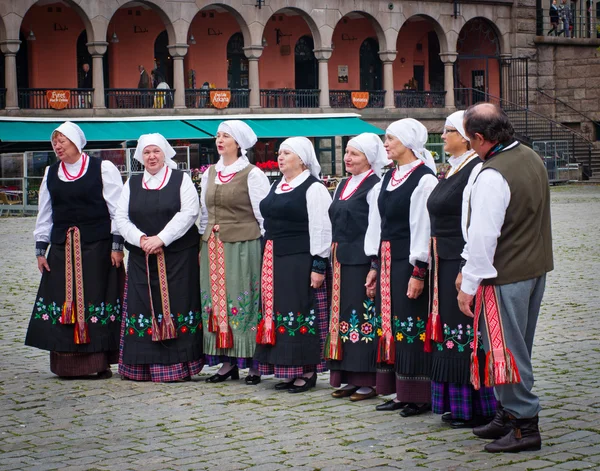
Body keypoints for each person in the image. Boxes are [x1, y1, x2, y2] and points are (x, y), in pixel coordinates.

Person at [457, 103, 553, 453]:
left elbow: (484, 236)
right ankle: (509, 413)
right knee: (516, 347)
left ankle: (524, 425)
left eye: (470, 140)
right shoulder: (529, 155)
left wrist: (469, 285)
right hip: (532, 267)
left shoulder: (492, 174)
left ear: (482, 138)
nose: (471, 147)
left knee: (506, 351)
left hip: (503, 274)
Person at [25, 122, 124, 379]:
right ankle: (66, 365)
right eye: (55, 142)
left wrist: (117, 246)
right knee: (62, 301)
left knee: (97, 299)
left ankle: (99, 363)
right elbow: (45, 214)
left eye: (62, 141)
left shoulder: (102, 168)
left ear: (76, 143)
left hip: (97, 247)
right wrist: (40, 250)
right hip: (62, 249)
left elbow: (117, 210)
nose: (57, 146)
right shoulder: (51, 172)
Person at [425, 110, 497, 429]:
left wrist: (466, 266)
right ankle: (456, 403)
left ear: (466, 137)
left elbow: (473, 222)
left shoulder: (476, 169)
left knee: (464, 332)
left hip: (460, 257)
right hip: (446, 257)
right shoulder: (456, 168)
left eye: (448, 131)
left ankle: (476, 406)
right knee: (451, 333)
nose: (443, 137)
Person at [116, 133, 203, 382]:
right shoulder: (132, 184)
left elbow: (189, 212)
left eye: (156, 151)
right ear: (140, 157)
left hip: (178, 257)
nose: (151, 156)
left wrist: (162, 238)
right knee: (142, 306)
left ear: (164, 153)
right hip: (142, 258)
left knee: (179, 304)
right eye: (146, 152)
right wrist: (141, 239)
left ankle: (179, 367)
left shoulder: (181, 180)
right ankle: (141, 367)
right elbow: (121, 218)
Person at [365, 118, 438, 416]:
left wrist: (419, 270)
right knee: (391, 322)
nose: (386, 144)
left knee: (411, 323)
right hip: (386, 258)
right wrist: (374, 264)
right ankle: (398, 390)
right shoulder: (387, 177)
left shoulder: (424, 179)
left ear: (408, 143)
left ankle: (418, 393)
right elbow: (377, 223)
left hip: (408, 259)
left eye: (391, 139)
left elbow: (423, 227)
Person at [254, 137, 332, 393]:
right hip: (274, 257)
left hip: (300, 258)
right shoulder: (277, 184)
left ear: (302, 158)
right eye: (280, 153)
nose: (281, 157)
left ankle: (307, 370)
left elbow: (322, 228)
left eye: (287, 153)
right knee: (279, 312)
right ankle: (287, 368)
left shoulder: (314, 187)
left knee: (300, 310)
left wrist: (319, 265)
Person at [199, 120, 270, 385]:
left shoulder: (252, 174)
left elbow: (264, 215)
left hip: (244, 245)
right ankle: (227, 362)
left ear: (238, 143)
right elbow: (204, 213)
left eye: (225, 136)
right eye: (218, 135)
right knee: (215, 301)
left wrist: (265, 249)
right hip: (213, 246)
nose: (219, 140)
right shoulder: (209, 173)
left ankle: (253, 364)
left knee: (245, 301)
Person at [327, 133, 389, 402]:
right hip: (341, 260)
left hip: (362, 261)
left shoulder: (375, 185)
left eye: (355, 154)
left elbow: (377, 226)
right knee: (344, 318)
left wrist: (374, 263)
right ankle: (348, 376)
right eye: (347, 152)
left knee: (363, 317)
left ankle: (367, 378)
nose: (347, 158)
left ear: (369, 158)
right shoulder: (343, 184)